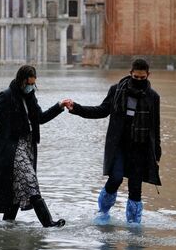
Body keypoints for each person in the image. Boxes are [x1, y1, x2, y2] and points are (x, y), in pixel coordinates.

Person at [0, 65, 72, 227]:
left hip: (28, 146)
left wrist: (59, 106)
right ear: (21, 81)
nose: (31, 87)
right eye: (28, 84)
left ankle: (7, 223)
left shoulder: (31, 97)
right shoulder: (6, 96)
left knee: (16, 187)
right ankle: (48, 223)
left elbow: (41, 118)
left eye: (33, 84)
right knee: (30, 181)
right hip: (12, 148)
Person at [66, 59, 161, 225]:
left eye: (142, 78)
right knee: (115, 178)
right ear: (131, 73)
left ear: (148, 75)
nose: (139, 80)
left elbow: (155, 126)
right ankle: (103, 212)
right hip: (119, 145)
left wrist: (157, 152)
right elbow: (102, 111)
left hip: (140, 147)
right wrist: (77, 108)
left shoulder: (153, 97)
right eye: (136, 77)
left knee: (135, 188)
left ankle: (134, 225)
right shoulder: (116, 90)